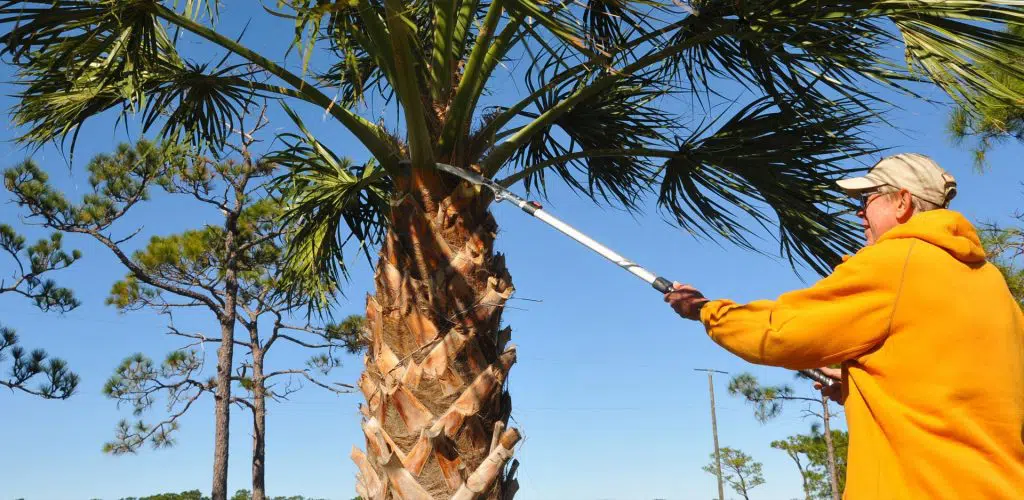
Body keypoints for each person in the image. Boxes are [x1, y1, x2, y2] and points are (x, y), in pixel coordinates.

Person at [665, 153, 1024, 498]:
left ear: (902, 202)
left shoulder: (897, 261)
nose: (858, 212)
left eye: (866, 198)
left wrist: (706, 310)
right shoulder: (991, 283)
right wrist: (859, 383)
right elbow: (963, 390)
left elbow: (780, 332)